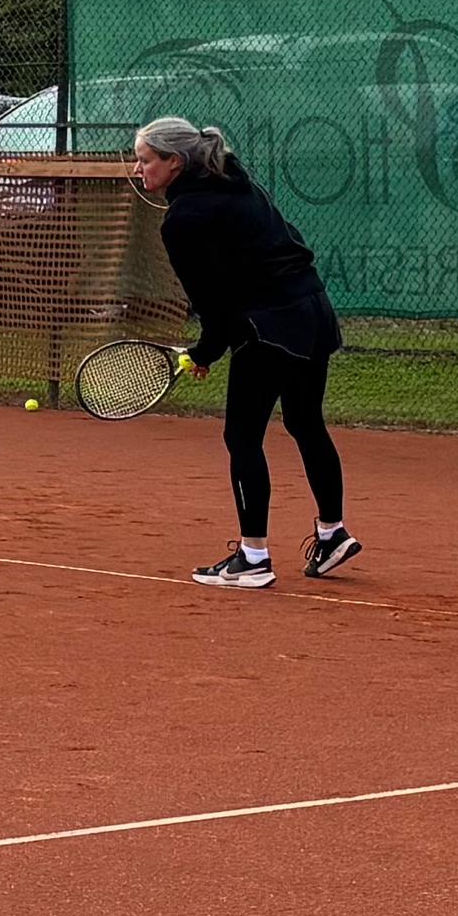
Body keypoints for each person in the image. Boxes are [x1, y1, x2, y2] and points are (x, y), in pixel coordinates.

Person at [130, 115, 352, 591]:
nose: (138, 169)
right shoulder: (238, 183)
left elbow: (213, 301)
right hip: (313, 310)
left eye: (145, 160)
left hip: (270, 325)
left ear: (174, 163)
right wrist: (212, 345)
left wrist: (206, 351)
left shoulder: (183, 220)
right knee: (305, 423)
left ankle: (253, 557)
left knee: (242, 437)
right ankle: (332, 533)